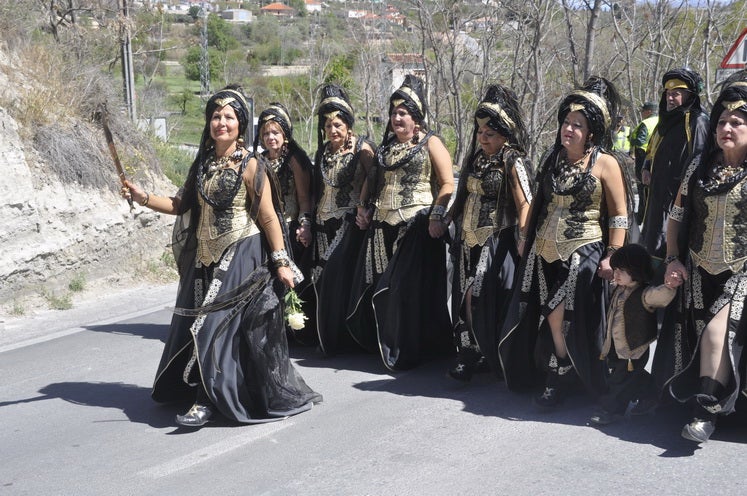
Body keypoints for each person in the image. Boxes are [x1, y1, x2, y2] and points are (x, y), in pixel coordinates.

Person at [122, 85, 322, 427]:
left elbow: (270, 217)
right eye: (215, 116)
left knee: (211, 327)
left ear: (240, 125)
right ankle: (216, 388)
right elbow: (179, 205)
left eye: (229, 117)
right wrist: (143, 197)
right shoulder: (202, 164)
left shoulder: (251, 165)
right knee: (201, 328)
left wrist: (281, 261)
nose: (221, 122)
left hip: (241, 254)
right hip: (204, 260)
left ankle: (205, 401)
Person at [498, 76, 634, 410]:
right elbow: (538, 204)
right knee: (539, 314)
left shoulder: (607, 163)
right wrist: (524, 238)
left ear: (591, 132)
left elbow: (619, 214)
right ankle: (556, 368)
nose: (568, 130)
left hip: (583, 252)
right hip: (542, 250)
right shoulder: (553, 158)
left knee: (557, 314)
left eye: (577, 125)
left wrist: (612, 256)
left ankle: (559, 373)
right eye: (566, 123)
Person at [661, 72, 747, 443]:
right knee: (697, 336)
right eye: (722, 121)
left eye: (737, 122)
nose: (727, 127)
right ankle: (698, 400)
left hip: (741, 271)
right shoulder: (698, 167)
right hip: (696, 267)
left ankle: (705, 411)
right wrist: (672, 258)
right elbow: (676, 218)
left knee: (717, 334)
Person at [347, 74, 455, 370]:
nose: (396, 118)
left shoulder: (432, 143)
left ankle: (406, 348)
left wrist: (436, 215)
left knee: (402, 289)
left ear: (416, 119)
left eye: (403, 113)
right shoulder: (386, 148)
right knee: (379, 285)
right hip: (381, 226)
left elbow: (447, 183)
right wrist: (362, 207)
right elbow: (373, 179)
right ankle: (384, 342)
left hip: (416, 227)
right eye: (394, 112)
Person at [446, 84, 533, 381]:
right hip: (467, 239)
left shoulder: (513, 159)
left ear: (504, 135)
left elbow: (525, 203)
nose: (482, 138)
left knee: (478, 297)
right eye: (480, 132)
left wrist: (523, 239)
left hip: (497, 243)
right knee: (463, 296)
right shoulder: (475, 158)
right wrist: (444, 219)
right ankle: (470, 350)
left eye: (489, 134)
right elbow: (461, 196)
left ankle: (476, 354)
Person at [310, 83, 376, 355]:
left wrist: (364, 207)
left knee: (338, 278)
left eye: (337, 125)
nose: (332, 131)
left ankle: (345, 339)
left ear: (348, 125)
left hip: (350, 225)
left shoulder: (363, 147)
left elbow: (376, 178)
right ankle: (330, 337)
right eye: (328, 127)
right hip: (323, 224)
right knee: (323, 280)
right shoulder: (323, 152)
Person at [589, 243, 676, 426]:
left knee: (619, 380)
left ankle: (610, 410)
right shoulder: (619, 289)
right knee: (629, 377)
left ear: (636, 271)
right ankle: (651, 394)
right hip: (614, 345)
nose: (617, 274)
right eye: (616, 269)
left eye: (622, 270)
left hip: (633, 349)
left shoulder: (644, 294)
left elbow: (661, 296)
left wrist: (670, 286)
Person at [254, 102, 316, 342]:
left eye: (275, 132)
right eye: (266, 133)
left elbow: (304, 198)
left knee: (288, 281)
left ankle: (293, 330)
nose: (270, 137)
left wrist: (305, 225)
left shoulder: (294, 160)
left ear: (285, 135)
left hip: (289, 228)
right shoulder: (259, 160)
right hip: (264, 228)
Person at [640, 69, 709, 263]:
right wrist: (646, 167)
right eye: (668, 93)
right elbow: (652, 148)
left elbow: (700, 161)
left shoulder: (697, 121)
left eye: (676, 93)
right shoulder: (666, 121)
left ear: (689, 96)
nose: (670, 98)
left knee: (670, 242)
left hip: (678, 197)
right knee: (651, 239)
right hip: (657, 193)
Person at [629, 101, 659, 223]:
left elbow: (640, 142)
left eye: (643, 111)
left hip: (645, 161)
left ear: (649, 111)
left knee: (643, 190)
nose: (641, 113)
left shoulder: (646, 123)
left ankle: (641, 217)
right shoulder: (663, 120)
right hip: (658, 161)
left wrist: (632, 139)